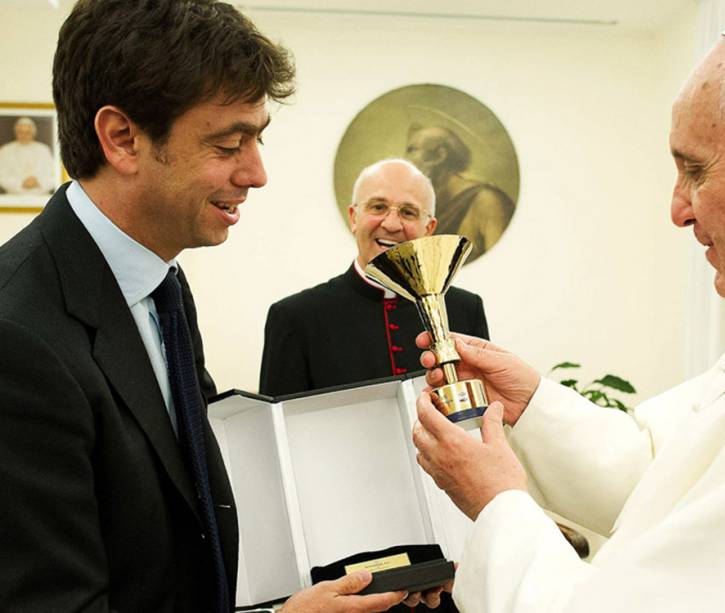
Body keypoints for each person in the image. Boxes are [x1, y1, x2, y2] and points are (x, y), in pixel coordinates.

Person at [411, 3, 725, 611]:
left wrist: (497, 507)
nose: (678, 209)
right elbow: (667, 471)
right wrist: (529, 407)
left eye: (696, 170)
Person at [0, 2, 437, 611]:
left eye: (257, 139)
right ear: (123, 139)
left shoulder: (163, 284)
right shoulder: (17, 336)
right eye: (230, 143)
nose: (256, 173)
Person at [260, 158, 489, 396]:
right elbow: (278, 428)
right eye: (378, 207)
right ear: (353, 218)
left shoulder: (465, 309)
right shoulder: (295, 318)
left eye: (408, 212)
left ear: (428, 229)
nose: (391, 224)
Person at [405, 126, 514, 262]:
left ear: (440, 155)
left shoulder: (488, 201)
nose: (406, 160)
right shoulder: (426, 205)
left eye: (412, 150)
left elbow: (504, 263)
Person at [0, 116, 55, 195]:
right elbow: (1, 176)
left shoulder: (44, 150)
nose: (24, 135)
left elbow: (54, 175)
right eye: (20, 132)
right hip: (14, 196)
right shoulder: (5, 150)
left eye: (27, 132)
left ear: (33, 133)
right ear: (16, 133)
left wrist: (38, 181)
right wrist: (21, 183)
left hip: (40, 195)